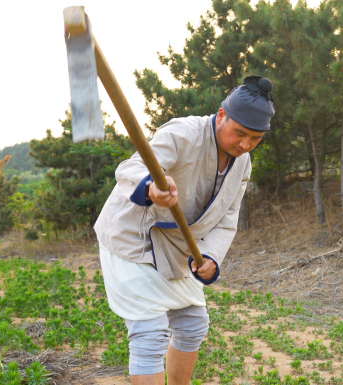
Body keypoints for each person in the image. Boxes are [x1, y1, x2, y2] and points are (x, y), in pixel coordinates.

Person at [94, 75, 275, 385]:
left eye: (255, 139)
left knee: (192, 325)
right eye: (240, 134)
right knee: (150, 333)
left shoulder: (242, 163)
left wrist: (211, 257)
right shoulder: (184, 133)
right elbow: (131, 168)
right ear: (221, 116)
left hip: (177, 246)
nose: (245, 144)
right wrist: (151, 187)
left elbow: (227, 218)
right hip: (134, 238)